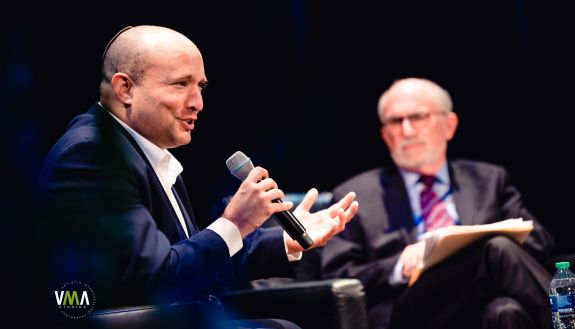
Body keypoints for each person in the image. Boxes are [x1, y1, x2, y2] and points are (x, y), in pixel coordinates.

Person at [37, 25, 358, 328]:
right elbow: (156, 278)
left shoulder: (143, 151)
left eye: (200, 87)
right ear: (125, 88)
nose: (197, 103)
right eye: (180, 84)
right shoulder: (92, 156)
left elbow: (193, 262)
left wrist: (285, 241)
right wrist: (235, 223)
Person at [321, 77, 554, 329]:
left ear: (449, 125)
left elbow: (539, 242)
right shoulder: (356, 194)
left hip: (482, 300)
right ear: (385, 135)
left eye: (418, 117)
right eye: (396, 121)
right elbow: (336, 278)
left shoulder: (488, 179)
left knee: (505, 311)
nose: (407, 130)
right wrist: (400, 264)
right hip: (408, 308)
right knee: (494, 249)